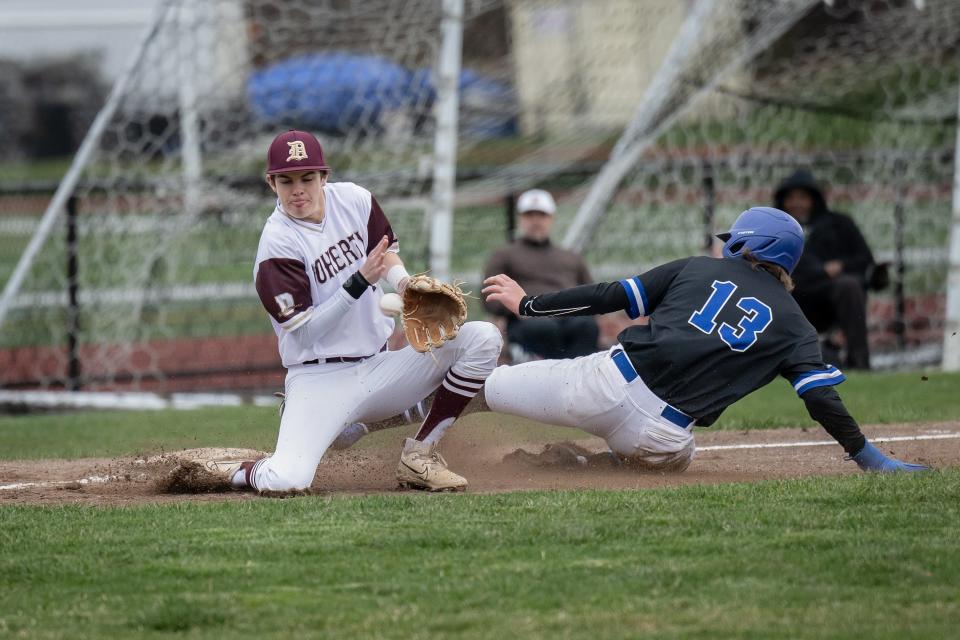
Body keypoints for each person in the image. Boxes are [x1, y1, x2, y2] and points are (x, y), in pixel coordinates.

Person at [480, 206, 928, 474]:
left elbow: (610, 295)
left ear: (747, 244)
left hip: (604, 385)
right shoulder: (797, 325)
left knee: (485, 389)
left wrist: (529, 304)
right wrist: (868, 456)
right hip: (659, 438)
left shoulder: (698, 267)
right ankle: (582, 466)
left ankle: (415, 436)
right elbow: (820, 398)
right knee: (682, 455)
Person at [192, 130, 501, 492]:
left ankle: (420, 456)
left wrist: (402, 283)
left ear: (324, 176)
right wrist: (356, 283)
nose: (298, 190)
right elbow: (305, 332)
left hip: (379, 367)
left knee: (482, 338)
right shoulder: (277, 244)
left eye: (308, 177)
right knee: (287, 481)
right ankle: (245, 470)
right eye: (286, 180)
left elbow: (383, 255)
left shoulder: (355, 200)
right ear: (270, 183)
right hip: (319, 379)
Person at [774, 169, 877, 369]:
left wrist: (840, 266)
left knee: (849, 286)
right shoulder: (774, 228)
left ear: (814, 199)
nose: (796, 203)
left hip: (830, 296)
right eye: (791, 198)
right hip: (789, 296)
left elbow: (865, 259)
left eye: (802, 197)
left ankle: (859, 363)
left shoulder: (839, 224)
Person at [483, 188, 598, 359]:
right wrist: (516, 308)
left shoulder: (571, 257)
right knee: (543, 328)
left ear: (551, 219)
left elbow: (592, 294)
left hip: (568, 317)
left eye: (542, 215)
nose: (536, 221)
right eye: (530, 215)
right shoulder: (504, 255)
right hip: (527, 318)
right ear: (521, 219)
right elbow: (490, 297)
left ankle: (575, 379)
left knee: (586, 326)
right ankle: (556, 376)